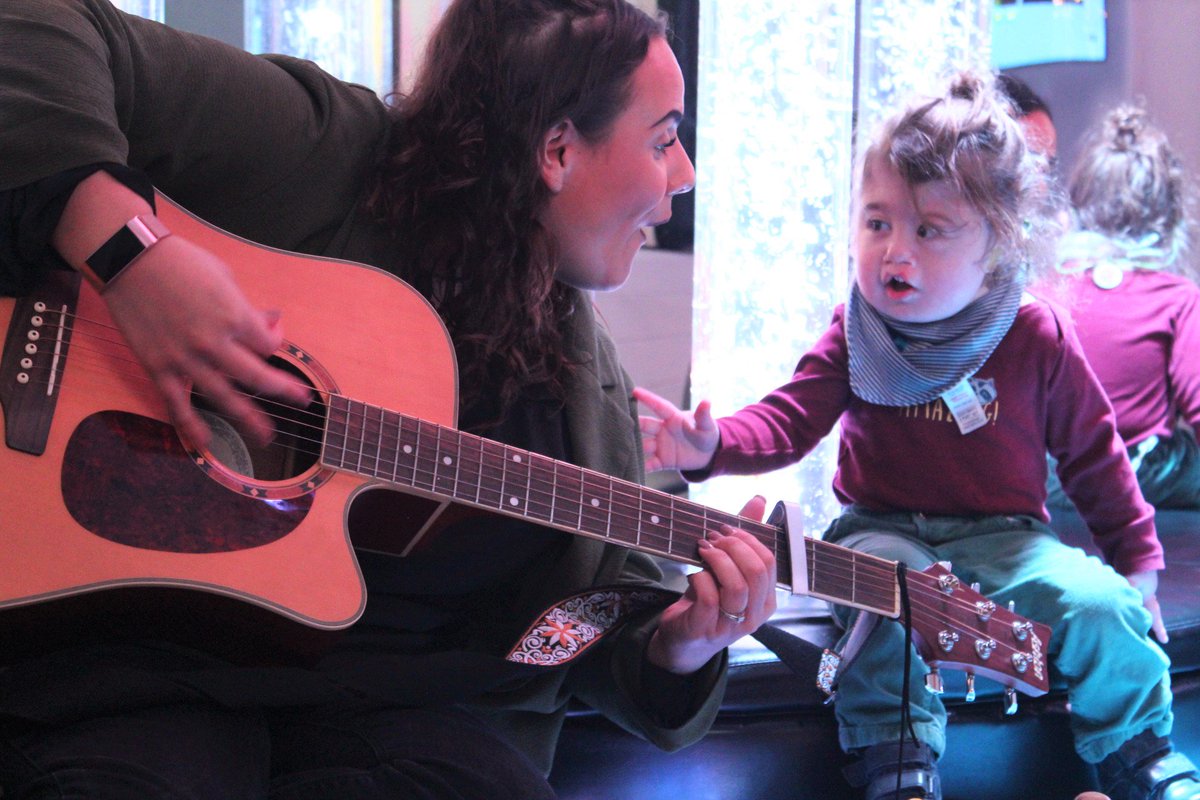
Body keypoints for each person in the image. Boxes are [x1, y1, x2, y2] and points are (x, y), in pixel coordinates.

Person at [0, 1, 778, 797]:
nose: (683, 173)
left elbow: (595, 624)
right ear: (557, 150)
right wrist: (133, 258)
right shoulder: (330, 154)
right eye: (663, 138)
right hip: (128, 663)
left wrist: (679, 644)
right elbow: (32, 27)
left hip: (390, 715)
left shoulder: (589, 402)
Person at [636, 71, 1200, 800]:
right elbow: (789, 417)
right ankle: (895, 760)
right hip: (882, 528)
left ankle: (1139, 752)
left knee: (1104, 609)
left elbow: (1096, 458)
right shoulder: (858, 329)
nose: (895, 251)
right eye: (878, 223)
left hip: (1007, 539)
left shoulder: (1034, 333)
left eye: (929, 230)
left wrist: (1138, 566)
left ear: (997, 245)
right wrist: (712, 447)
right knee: (881, 592)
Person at [1046, 105, 1200, 511]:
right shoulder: (1177, 298)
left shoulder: (1044, 292)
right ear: (1169, 214)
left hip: (1047, 476)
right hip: (1132, 473)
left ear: (1076, 206)